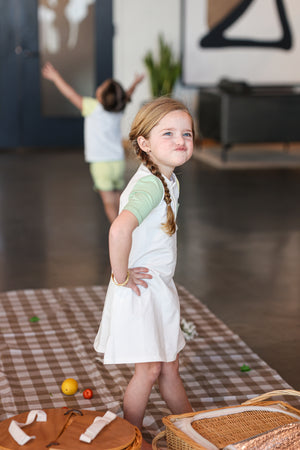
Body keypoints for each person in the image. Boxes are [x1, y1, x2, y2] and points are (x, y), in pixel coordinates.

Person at [94, 97, 194, 448]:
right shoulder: (151, 184)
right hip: (141, 291)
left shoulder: (165, 178)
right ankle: (130, 436)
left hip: (157, 289)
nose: (181, 140)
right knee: (150, 369)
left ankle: (191, 429)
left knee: (169, 366)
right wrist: (121, 277)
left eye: (187, 133)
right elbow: (119, 230)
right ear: (144, 143)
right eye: (168, 133)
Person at [41, 62, 144, 223]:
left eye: (102, 86)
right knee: (118, 200)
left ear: (102, 97)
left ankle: (120, 233)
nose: (100, 85)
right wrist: (135, 84)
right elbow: (126, 96)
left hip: (101, 165)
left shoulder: (92, 107)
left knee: (109, 203)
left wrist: (55, 78)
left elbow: (70, 94)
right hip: (117, 162)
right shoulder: (118, 108)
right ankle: (128, 228)